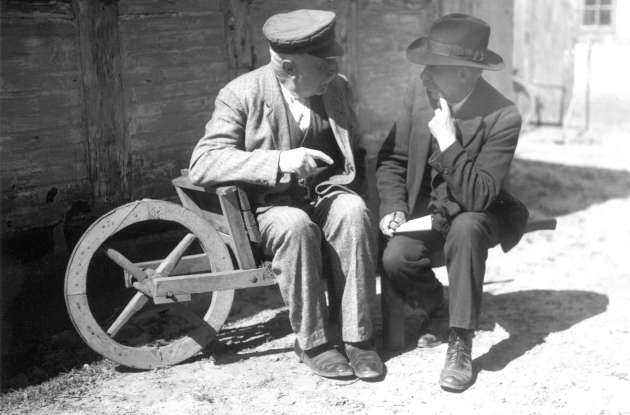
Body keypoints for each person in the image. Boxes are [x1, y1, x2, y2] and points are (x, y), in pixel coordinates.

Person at [189, 9, 383, 380]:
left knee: (354, 211)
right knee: (294, 224)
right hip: (268, 207)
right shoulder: (242, 94)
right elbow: (204, 162)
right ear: (290, 68)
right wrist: (279, 160)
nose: (332, 70)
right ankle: (312, 342)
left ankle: (357, 339)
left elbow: (354, 148)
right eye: (323, 64)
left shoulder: (337, 87)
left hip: (324, 195)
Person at [376, 13, 529, 391]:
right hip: (427, 215)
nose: (424, 75)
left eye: (434, 68)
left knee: (466, 226)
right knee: (397, 259)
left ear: (464, 73)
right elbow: (391, 160)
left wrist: (447, 140)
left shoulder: (503, 115)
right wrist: (394, 205)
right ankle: (440, 309)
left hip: (482, 215)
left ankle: (461, 340)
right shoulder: (418, 95)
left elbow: (478, 196)